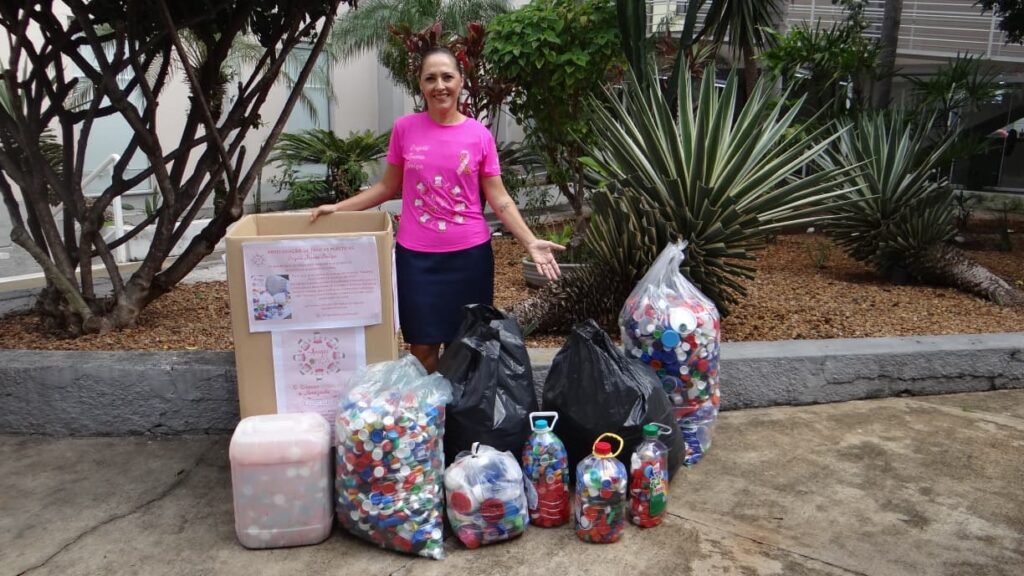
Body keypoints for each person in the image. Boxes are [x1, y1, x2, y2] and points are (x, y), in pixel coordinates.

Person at [310, 46, 564, 373]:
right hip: (417, 260)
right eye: (430, 78)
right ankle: (432, 408)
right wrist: (338, 208)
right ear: (420, 84)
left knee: (468, 346)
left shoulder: (479, 135)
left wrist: (530, 241)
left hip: (470, 258)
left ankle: (461, 408)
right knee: (422, 347)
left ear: (461, 81)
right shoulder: (405, 129)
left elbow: (499, 198)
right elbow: (387, 187)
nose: (439, 85)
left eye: (447, 77)